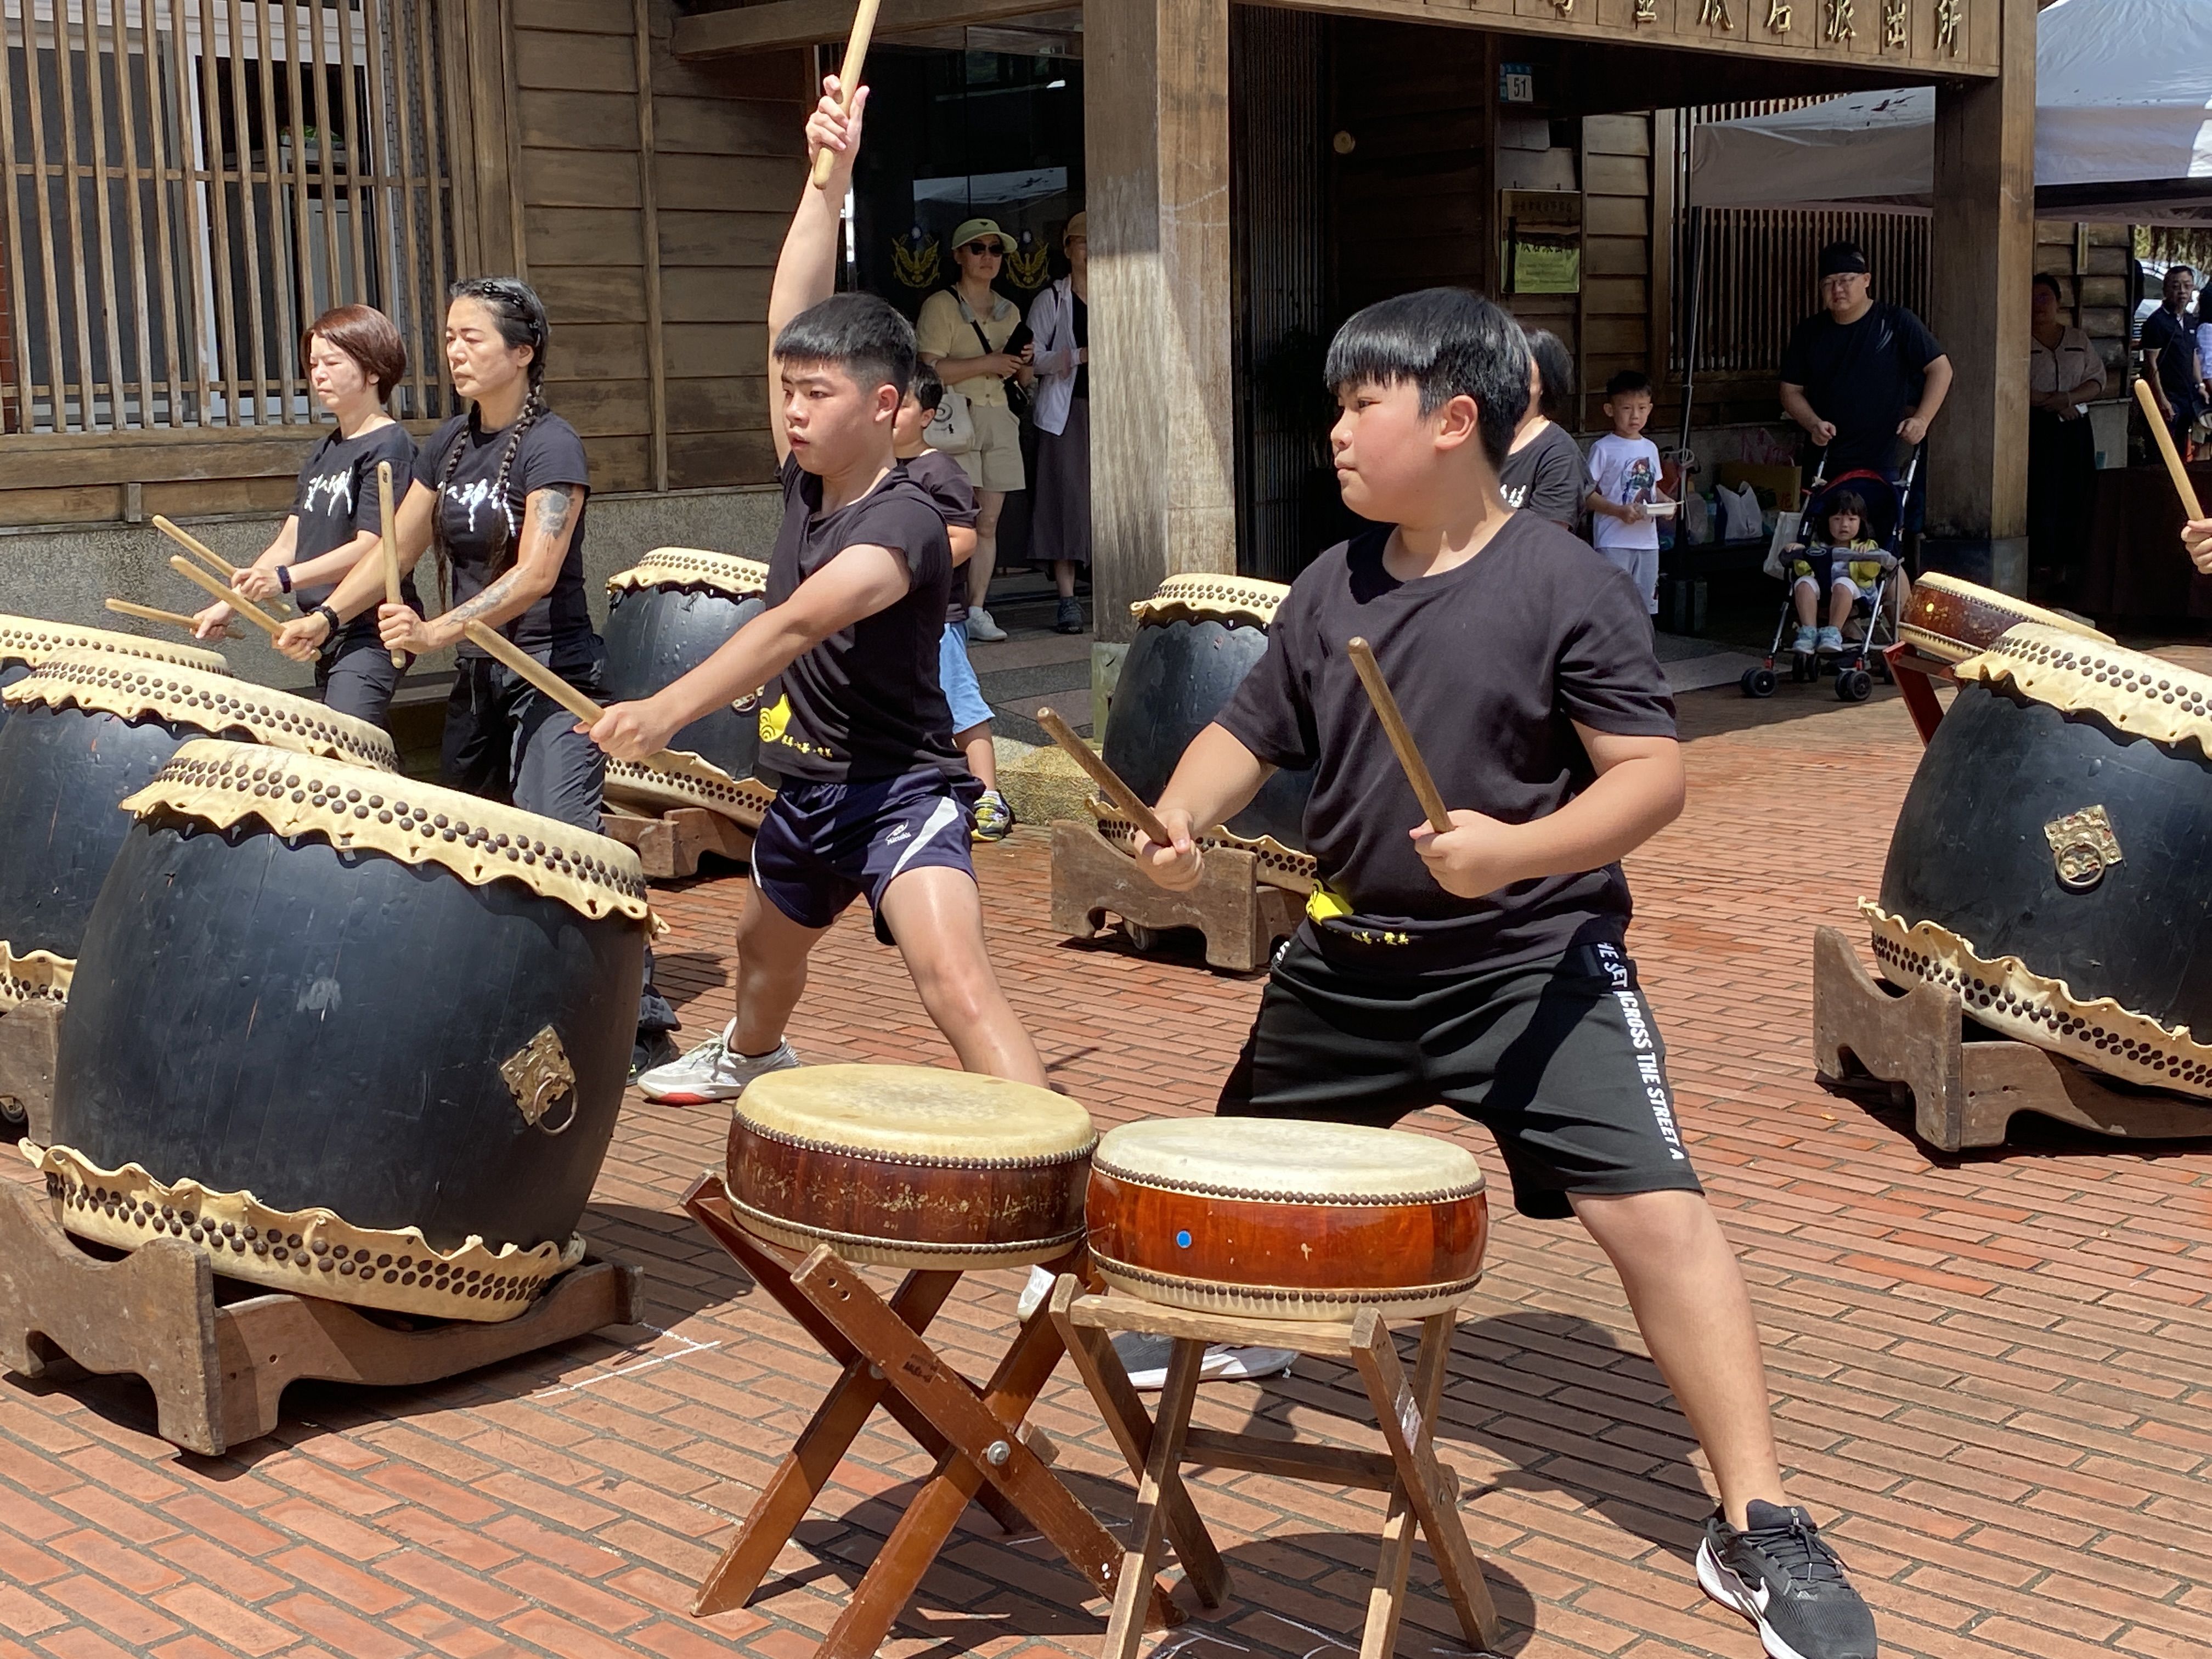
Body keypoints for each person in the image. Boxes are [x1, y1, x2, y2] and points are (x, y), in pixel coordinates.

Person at [1129, 287, 1879, 1659]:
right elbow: (1248, 733)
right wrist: (1181, 821)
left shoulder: (1564, 583)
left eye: (1364, 407)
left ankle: (1758, 1517)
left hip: (1535, 962)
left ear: (1454, 418)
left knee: (1659, 1216)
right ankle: (1248, 1332)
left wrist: (1519, 852)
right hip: (1349, 965)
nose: (1338, 435)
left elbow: (1651, 781)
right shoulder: (1330, 585)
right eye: (1341, 408)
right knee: (1228, 1199)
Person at [602, 75, 1046, 1105]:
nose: (792, 409)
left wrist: (665, 710)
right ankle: (753, 1053)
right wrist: (828, 178)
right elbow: (788, 312)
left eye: (816, 393)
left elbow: (795, 621)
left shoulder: (901, 521)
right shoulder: (806, 478)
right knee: (763, 949)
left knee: (952, 976)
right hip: (808, 785)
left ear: (885, 405)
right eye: (788, 391)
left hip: (902, 789)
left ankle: (1056, 1171)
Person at [273, 277, 682, 1076]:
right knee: (463, 846)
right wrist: (326, 618)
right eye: (451, 337)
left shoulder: (551, 445)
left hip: (553, 674)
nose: (455, 352)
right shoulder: (448, 445)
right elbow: (395, 545)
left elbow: (535, 573)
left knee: (565, 845)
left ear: (522, 352)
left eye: (474, 338)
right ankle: (499, 999)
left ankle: (641, 1018)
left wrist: (435, 629)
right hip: (481, 681)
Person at [194, 305, 417, 730]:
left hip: (370, 627)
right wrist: (230, 604)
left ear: (373, 371)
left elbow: (373, 547)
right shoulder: (325, 450)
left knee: (343, 741)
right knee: (355, 746)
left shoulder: (391, 447)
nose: (318, 374)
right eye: (313, 364)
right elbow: (289, 543)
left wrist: (284, 580)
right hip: (325, 627)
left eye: (333, 363)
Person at [897, 364, 1014, 842]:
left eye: (901, 404)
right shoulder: (880, 470)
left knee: (959, 701)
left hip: (936, 616)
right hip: (894, 617)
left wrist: (908, 573)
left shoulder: (940, 469)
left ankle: (988, 795)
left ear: (927, 415)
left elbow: (964, 537)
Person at [917, 218, 1028, 643]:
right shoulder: (941, 306)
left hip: (999, 415)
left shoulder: (1010, 309)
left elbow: (1023, 380)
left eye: (996, 250)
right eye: (978, 249)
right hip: (956, 418)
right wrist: (988, 362)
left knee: (989, 522)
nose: (988, 257)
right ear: (960, 255)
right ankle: (944, 607)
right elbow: (929, 368)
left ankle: (978, 608)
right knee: (954, 520)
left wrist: (1024, 360)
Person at [1780, 241, 1952, 486]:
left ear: (1866, 280)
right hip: (1824, 458)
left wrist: (1922, 419)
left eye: (1846, 280)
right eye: (1828, 283)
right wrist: (1813, 423)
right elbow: (1790, 390)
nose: (1837, 289)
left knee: (1879, 522)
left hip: (1883, 458)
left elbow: (1940, 368)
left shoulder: (1896, 322)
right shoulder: (1809, 333)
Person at [1025, 212, 1091, 634]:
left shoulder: (1119, 292)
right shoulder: (1052, 298)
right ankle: (1067, 600)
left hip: (1112, 412)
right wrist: (1079, 356)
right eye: (1081, 242)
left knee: (1107, 503)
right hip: (1066, 413)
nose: (1089, 250)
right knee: (1065, 502)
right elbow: (1029, 361)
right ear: (1067, 248)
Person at [2027, 273, 2106, 588]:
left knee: (2076, 490)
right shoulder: (2018, 340)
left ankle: (2069, 567)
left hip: (2075, 425)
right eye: (2032, 298)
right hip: (2037, 425)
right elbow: (2012, 383)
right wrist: (2052, 401)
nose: (2038, 305)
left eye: (2045, 297)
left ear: (2059, 302)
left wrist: (2069, 399)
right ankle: (2038, 566)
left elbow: (2097, 380)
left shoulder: (2077, 339)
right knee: (2041, 493)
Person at [1584, 370, 1669, 617]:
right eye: (1627, 409)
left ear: (1650, 409)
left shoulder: (1651, 448)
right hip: (1613, 541)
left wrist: (1666, 504)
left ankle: (1641, 652)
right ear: (1610, 410)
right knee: (1613, 606)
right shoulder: (1603, 448)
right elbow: (1586, 493)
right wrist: (1618, 511)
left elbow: (1655, 488)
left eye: (1642, 408)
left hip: (1648, 542)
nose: (1635, 416)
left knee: (1644, 608)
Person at [1782, 489, 1901, 658]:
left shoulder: (1867, 546)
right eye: (1837, 519)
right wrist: (1802, 553)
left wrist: (1865, 556)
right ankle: (1808, 632)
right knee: (1803, 583)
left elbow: (1871, 573)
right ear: (1828, 522)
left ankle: (1833, 632)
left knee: (1843, 583)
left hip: (1857, 597)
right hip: (1823, 594)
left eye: (1852, 519)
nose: (1844, 525)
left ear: (1861, 522)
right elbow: (1804, 570)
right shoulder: (1820, 546)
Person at [1496, 326, 1585, 529]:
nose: (1509, 379)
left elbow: (1546, 540)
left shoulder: (1559, 454)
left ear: (1546, 382)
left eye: (1522, 370)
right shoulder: (1478, 438)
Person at [2141, 264, 2203, 459]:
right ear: (2166, 289)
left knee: (2181, 451)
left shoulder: (2190, 319)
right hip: (2168, 397)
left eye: (2187, 286)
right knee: (2161, 453)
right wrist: (2162, 400)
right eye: (2176, 286)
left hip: (2187, 396)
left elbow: (2192, 354)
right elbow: (2152, 365)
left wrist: (2200, 384)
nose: (2182, 292)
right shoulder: (2157, 322)